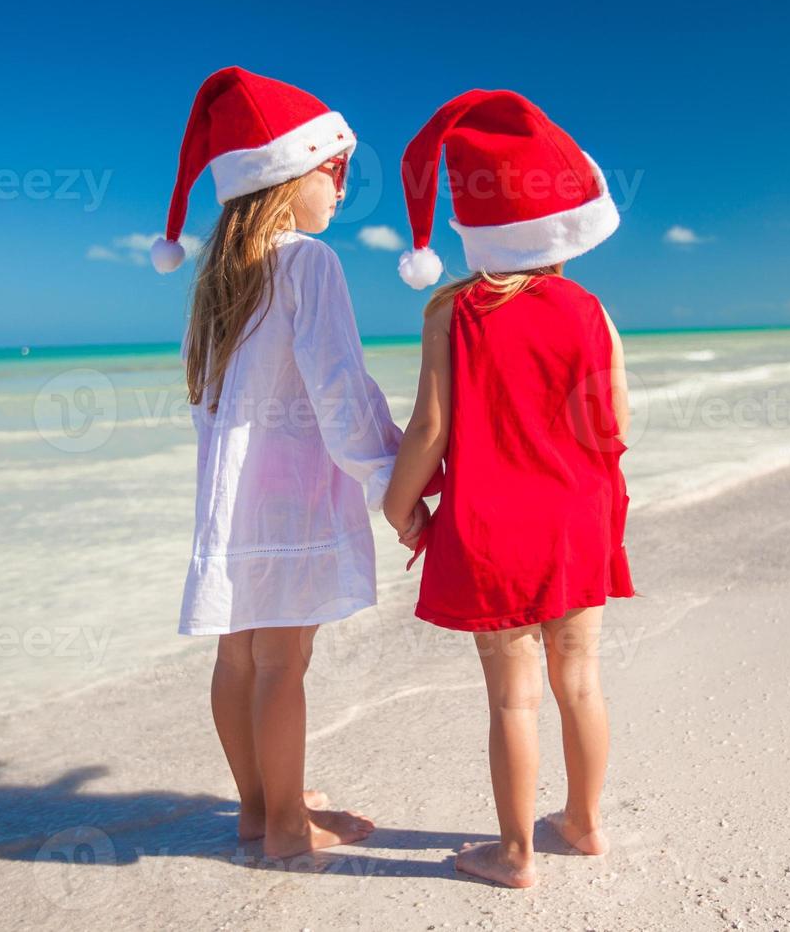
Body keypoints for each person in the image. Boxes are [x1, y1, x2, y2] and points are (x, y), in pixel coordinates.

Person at [152, 67, 427, 859]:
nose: (343, 187)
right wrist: (393, 480)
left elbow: (210, 401)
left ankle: (255, 806)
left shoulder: (214, 282)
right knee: (284, 660)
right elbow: (341, 389)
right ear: (286, 176)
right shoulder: (308, 263)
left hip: (230, 495)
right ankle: (285, 829)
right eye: (334, 169)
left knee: (237, 655)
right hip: (293, 498)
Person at [383, 89, 636, 888]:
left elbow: (430, 429)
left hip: (493, 526)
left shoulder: (451, 313)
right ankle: (587, 824)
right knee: (581, 677)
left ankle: (516, 853)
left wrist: (400, 508)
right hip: (576, 519)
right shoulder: (590, 308)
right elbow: (616, 424)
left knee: (512, 699)